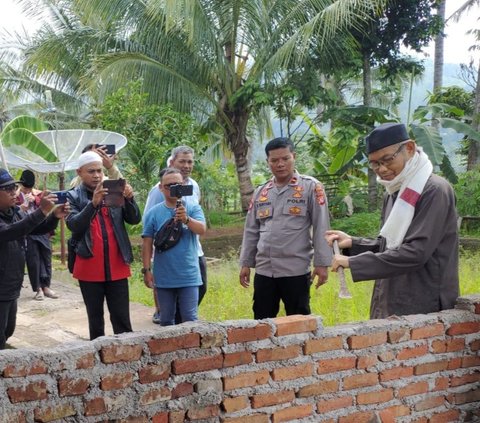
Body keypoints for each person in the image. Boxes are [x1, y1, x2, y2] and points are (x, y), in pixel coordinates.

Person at [325, 123, 459, 319]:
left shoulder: (434, 190)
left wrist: (353, 262)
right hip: (390, 298)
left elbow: (415, 253)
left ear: (410, 149)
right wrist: (353, 243)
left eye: (387, 160)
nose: (382, 169)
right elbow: (390, 244)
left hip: (424, 302)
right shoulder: (394, 191)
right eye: (375, 164)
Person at [239, 137, 332, 319]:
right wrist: (246, 263)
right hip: (265, 270)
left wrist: (322, 264)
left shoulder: (310, 187)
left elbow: (322, 226)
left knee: (299, 321)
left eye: (285, 159)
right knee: (261, 321)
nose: (280, 164)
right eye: (274, 160)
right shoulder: (261, 192)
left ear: (293, 157)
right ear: (267, 162)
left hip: (295, 270)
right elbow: (251, 230)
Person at [66, 151, 141, 340]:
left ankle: (126, 358)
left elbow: (134, 219)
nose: (97, 175)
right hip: (89, 265)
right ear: (79, 172)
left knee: (122, 319)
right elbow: (73, 225)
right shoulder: (73, 196)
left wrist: (130, 200)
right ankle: (98, 361)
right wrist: (93, 204)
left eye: (99, 170)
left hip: (117, 264)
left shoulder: (115, 190)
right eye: (91, 171)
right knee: (96, 320)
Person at [0, 168, 68, 349]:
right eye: (7, 189)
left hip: (11, 285)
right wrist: (41, 211)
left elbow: (34, 228)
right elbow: (9, 232)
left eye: (14, 187)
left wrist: (53, 216)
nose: (14, 192)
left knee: (8, 330)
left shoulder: (14, 212)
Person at [144, 145, 207, 324]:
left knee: (193, 307)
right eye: (182, 161)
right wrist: (147, 268)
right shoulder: (157, 194)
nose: (186, 165)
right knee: (166, 316)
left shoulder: (193, 187)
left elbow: (201, 227)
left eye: (190, 162)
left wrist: (186, 219)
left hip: (192, 257)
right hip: (165, 262)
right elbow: (148, 233)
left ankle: (183, 333)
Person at [16, 170, 59, 300]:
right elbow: (12, 211)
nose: (27, 190)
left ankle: (46, 286)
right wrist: (21, 207)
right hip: (27, 231)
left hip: (42, 230)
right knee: (33, 260)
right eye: (25, 187)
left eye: (29, 188)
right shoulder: (16, 195)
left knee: (46, 258)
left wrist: (35, 199)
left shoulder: (39, 194)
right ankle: (38, 288)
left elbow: (47, 206)